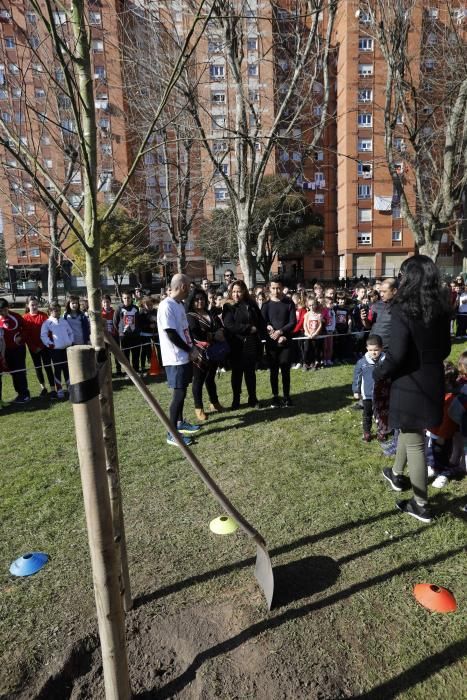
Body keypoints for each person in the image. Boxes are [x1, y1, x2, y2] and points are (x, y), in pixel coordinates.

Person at [374, 255, 451, 523]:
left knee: (415, 442)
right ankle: (396, 474)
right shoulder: (441, 306)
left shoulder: (403, 308)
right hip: (431, 378)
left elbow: (396, 354)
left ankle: (421, 504)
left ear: (411, 278)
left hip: (409, 382)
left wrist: (378, 371)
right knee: (410, 429)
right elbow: (446, 349)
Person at [157, 273, 201, 446]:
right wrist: (189, 349)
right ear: (182, 286)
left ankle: (180, 423)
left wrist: (193, 347)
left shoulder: (179, 305)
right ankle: (172, 433)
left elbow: (184, 330)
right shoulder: (166, 306)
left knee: (183, 390)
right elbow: (171, 334)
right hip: (175, 357)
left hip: (185, 355)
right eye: (189, 286)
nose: (190, 290)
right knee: (179, 394)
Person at [222, 280, 264, 409]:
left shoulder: (251, 304)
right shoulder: (228, 306)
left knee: (250, 373)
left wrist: (258, 328)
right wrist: (248, 328)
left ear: (244, 291)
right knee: (237, 374)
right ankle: (236, 400)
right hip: (236, 344)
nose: (236, 294)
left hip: (251, 343)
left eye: (239, 291)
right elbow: (229, 325)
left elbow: (260, 320)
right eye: (234, 291)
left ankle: (253, 398)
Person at [186, 288, 225, 420]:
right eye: (196, 299)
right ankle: (199, 408)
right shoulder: (190, 316)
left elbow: (219, 325)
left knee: (211, 378)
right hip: (199, 353)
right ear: (192, 301)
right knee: (198, 381)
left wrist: (218, 332)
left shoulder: (210, 313)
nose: (200, 301)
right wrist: (214, 335)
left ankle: (214, 403)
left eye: (202, 298)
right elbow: (196, 332)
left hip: (213, 351)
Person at [261, 276, 296, 407]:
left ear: (282, 288)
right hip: (272, 343)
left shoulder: (289, 303)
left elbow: (293, 322)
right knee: (273, 370)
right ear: (269, 289)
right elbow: (263, 322)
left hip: (285, 341)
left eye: (278, 288)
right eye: (273, 288)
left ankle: (287, 396)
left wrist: (281, 332)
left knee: (285, 369)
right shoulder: (266, 305)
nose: (276, 291)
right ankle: (275, 396)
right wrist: (270, 329)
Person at [352, 334, 385, 442]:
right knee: (367, 414)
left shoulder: (386, 361)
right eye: (370, 350)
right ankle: (367, 432)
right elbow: (357, 377)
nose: (373, 352)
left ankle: (382, 432)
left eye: (376, 350)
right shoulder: (362, 363)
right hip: (367, 395)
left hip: (382, 394)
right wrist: (356, 391)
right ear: (367, 349)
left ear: (381, 348)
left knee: (381, 414)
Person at [23, 296, 55, 397]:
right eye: (32, 305)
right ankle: (43, 388)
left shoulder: (43, 316)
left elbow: (49, 332)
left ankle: (53, 388)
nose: (35, 306)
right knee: (38, 368)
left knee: (48, 367)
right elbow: (26, 335)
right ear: (28, 305)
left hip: (44, 347)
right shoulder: (25, 318)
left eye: (36, 304)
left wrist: (43, 345)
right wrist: (33, 347)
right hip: (33, 348)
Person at [40, 301, 74, 398]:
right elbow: (43, 336)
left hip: (66, 349)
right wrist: (50, 345)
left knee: (67, 369)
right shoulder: (47, 323)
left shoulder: (64, 321)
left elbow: (70, 332)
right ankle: (59, 390)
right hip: (55, 351)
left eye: (59, 311)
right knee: (58, 370)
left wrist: (70, 341)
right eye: (55, 311)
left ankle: (70, 389)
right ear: (50, 311)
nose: (58, 312)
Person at [0, 298, 30, 403]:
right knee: (12, 372)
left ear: (8, 307)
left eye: (4, 310)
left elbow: (26, 330)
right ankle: (19, 394)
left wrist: (20, 337)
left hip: (18, 349)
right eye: (0, 311)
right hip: (5, 351)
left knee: (20, 372)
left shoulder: (16, 317)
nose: (2, 313)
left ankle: (25, 394)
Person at [365, 278, 397, 351]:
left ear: (394, 291)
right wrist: (364, 319)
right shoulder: (376, 305)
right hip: (374, 347)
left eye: (384, 291)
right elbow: (368, 325)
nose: (381, 294)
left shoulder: (400, 307)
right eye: (380, 291)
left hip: (390, 348)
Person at [114, 291, 141, 374]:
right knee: (126, 355)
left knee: (136, 354)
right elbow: (115, 322)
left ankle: (136, 370)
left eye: (128, 298)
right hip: (124, 336)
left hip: (135, 336)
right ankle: (128, 372)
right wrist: (121, 332)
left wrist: (137, 330)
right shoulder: (119, 308)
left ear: (131, 298)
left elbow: (138, 321)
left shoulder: (136, 308)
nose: (127, 300)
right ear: (122, 299)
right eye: (125, 298)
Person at [303, 296, 324, 370]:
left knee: (315, 350)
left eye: (313, 305)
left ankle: (314, 363)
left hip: (316, 335)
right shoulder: (307, 314)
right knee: (306, 349)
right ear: (307, 306)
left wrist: (316, 333)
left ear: (316, 305)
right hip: (308, 335)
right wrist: (307, 333)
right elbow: (304, 324)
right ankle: (305, 363)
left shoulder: (319, 315)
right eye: (310, 305)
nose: (312, 307)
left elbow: (320, 325)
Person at [139, 296, 158, 374]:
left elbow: (160, 320)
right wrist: (148, 325)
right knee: (145, 350)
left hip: (155, 333)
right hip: (145, 334)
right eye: (148, 305)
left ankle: (160, 365)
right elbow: (140, 324)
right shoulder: (141, 313)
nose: (150, 306)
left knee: (159, 349)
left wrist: (156, 323)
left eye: (151, 304)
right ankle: (143, 366)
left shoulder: (155, 311)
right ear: (143, 305)